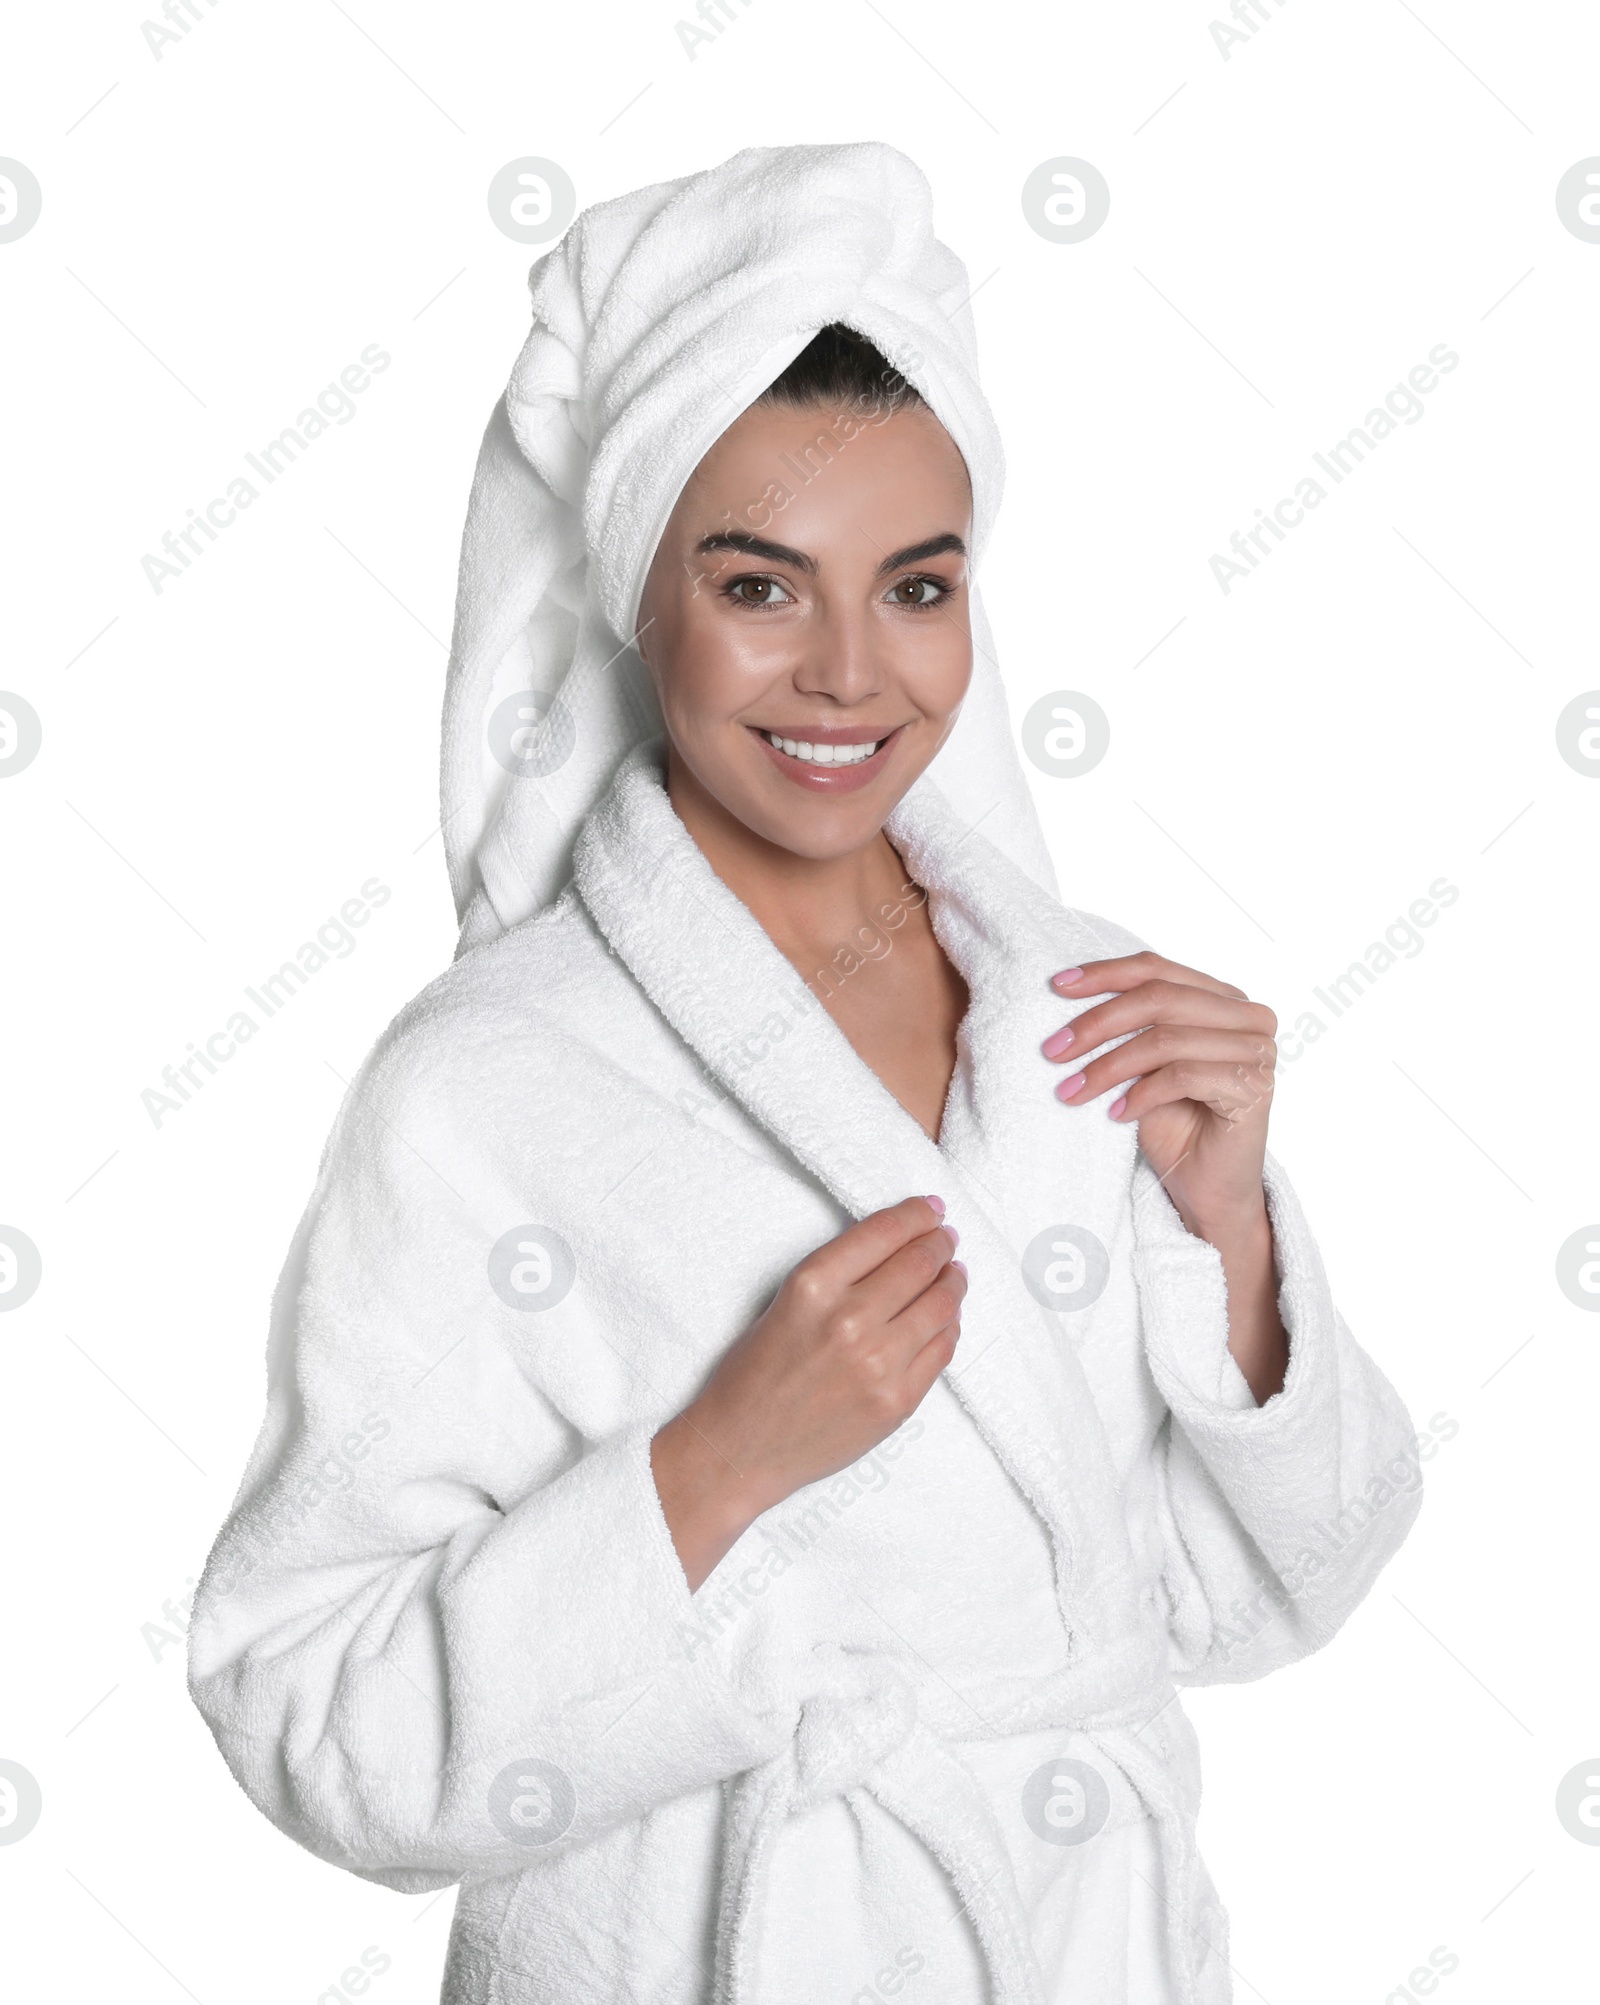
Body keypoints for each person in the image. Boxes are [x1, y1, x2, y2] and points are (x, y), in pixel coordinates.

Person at [188, 142, 1424, 2005]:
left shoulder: (1078, 1021)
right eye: (762, 586)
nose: (851, 674)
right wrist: (709, 1473)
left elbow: (1256, 1595)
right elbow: (305, 1707)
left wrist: (1232, 1239)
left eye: (915, 585)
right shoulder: (485, 1085)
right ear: (641, 599)